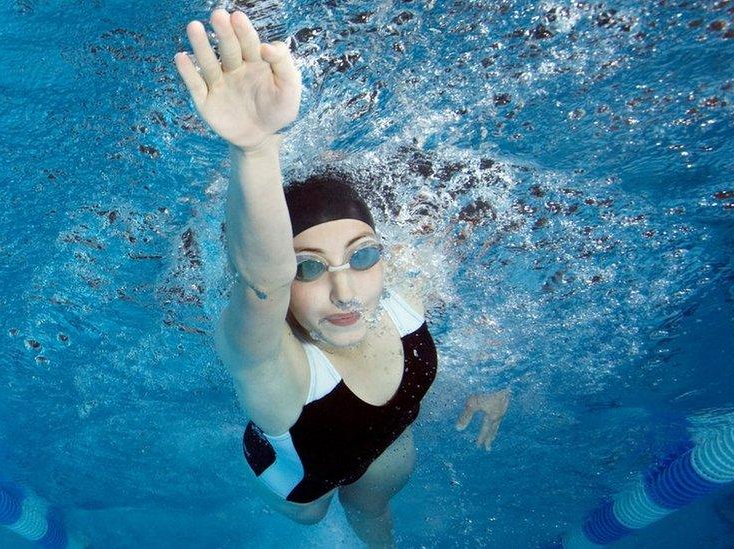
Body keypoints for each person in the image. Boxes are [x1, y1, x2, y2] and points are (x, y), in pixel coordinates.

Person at [174, 8, 510, 547]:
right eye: (307, 267)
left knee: (375, 508)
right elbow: (261, 280)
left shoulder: (402, 289)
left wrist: (490, 381)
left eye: (361, 257)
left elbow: (477, 267)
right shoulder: (276, 372)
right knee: (312, 516)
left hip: (386, 443)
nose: (346, 290)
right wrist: (256, 149)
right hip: (301, 482)